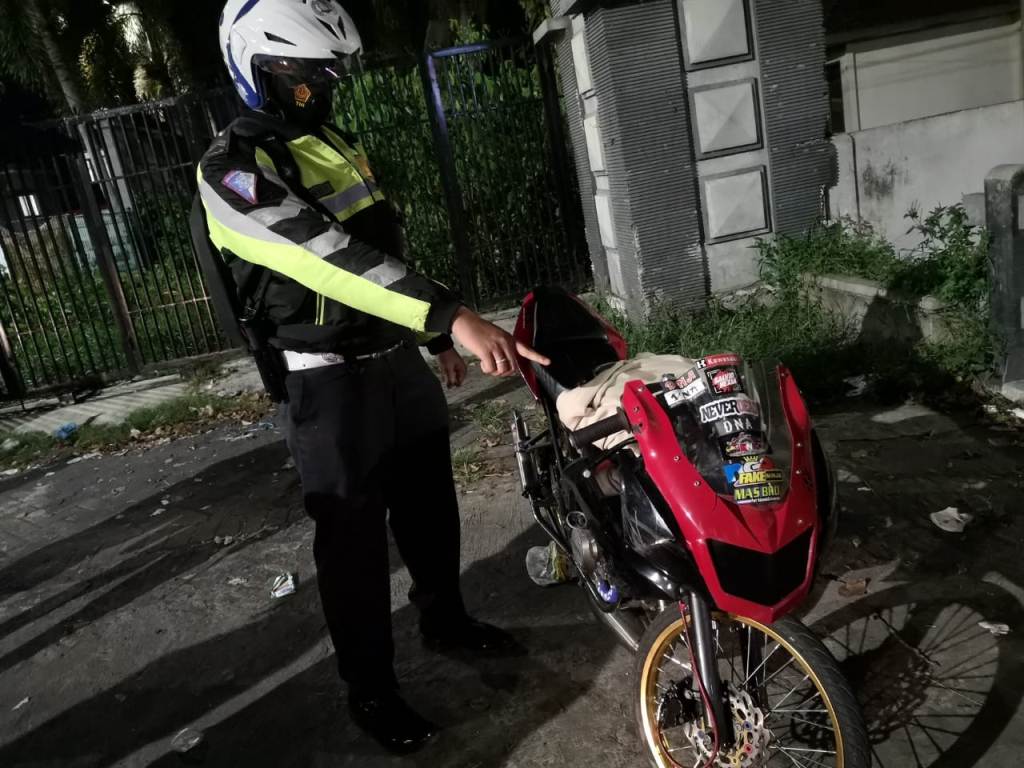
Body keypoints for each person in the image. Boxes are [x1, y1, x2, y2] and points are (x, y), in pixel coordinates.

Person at [200, 0, 549, 754]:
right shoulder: (231, 170)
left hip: (393, 361)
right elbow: (327, 255)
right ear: (257, 67)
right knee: (352, 546)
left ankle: (445, 619)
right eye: (306, 73)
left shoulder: (327, 138)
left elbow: (381, 248)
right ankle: (371, 690)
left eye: (329, 72)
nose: (322, 85)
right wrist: (448, 316)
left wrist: (425, 340)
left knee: (430, 507)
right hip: (326, 384)